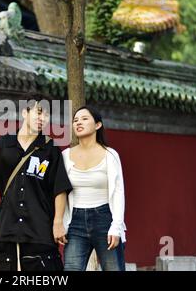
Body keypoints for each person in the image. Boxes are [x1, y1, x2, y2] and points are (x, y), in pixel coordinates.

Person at [0, 93, 72, 271]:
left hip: (39, 231)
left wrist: (57, 222)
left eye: (47, 115)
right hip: (6, 229)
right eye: (39, 112)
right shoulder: (3, 144)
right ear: (25, 113)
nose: (43, 118)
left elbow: (59, 189)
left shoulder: (51, 149)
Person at [62, 105, 126, 271]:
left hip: (105, 218)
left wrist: (116, 226)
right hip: (75, 221)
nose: (78, 123)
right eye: (75, 120)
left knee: (114, 268)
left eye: (84, 119)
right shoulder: (65, 156)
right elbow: (60, 192)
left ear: (98, 125)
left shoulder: (110, 155)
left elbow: (118, 192)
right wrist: (60, 223)